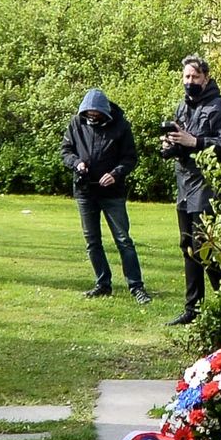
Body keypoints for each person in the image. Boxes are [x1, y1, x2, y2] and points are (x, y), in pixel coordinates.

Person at [159, 54, 221, 326]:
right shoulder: (183, 107)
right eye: (186, 77)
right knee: (188, 247)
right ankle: (192, 308)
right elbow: (184, 145)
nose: (190, 82)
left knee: (204, 247)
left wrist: (195, 141)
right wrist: (171, 146)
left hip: (208, 187)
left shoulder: (219, 107)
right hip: (185, 184)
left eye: (195, 77)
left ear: (206, 77)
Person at [61, 88, 150, 304]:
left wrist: (115, 174)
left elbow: (130, 158)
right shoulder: (76, 124)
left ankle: (136, 286)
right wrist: (77, 163)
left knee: (123, 240)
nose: (92, 117)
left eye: (95, 114)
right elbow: (65, 150)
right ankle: (102, 283)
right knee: (92, 241)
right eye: (88, 114)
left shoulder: (121, 126)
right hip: (84, 191)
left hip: (112, 193)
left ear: (104, 112)